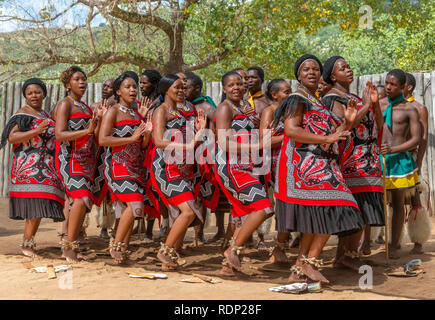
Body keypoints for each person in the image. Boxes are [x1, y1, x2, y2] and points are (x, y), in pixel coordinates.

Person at [273, 54, 363, 284]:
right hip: (304, 165)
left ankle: (299, 269)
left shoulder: (319, 101)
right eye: (306, 69)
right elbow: (292, 130)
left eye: (315, 69)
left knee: (319, 217)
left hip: (323, 164)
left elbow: (335, 134)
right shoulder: (296, 98)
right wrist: (326, 139)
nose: (312, 72)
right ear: (298, 76)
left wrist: (349, 122)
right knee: (335, 206)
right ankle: (309, 262)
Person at [321, 56, 384, 269]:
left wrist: (373, 105)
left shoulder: (353, 96)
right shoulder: (332, 98)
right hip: (351, 163)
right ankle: (347, 256)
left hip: (367, 161)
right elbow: (344, 125)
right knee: (356, 211)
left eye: (349, 66)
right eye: (343, 68)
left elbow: (379, 123)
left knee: (363, 211)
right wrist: (366, 105)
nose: (348, 70)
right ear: (332, 76)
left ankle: (346, 255)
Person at [214, 70, 274, 274]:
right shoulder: (224, 108)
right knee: (263, 209)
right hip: (230, 167)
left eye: (239, 84)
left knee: (248, 213)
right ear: (223, 89)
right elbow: (224, 143)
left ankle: (228, 266)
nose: (236, 87)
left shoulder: (242, 107)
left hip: (245, 166)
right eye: (231, 85)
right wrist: (257, 145)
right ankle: (232, 251)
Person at [0, 78, 65, 258]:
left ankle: (31, 242)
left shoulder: (44, 114)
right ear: (25, 96)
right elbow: (12, 138)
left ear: (44, 93)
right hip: (28, 169)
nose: (34, 95)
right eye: (30, 93)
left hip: (46, 170)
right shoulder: (23, 114)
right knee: (34, 209)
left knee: (39, 208)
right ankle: (26, 245)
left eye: (37, 92)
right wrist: (36, 131)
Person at [150, 74, 207, 270]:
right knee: (188, 211)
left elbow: (192, 143)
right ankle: (164, 251)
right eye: (177, 88)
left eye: (184, 88)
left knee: (186, 213)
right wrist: (189, 143)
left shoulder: (182, 113)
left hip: (183, 169)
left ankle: (169, 258)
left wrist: (199, 132)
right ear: (166, 90)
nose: (182, 91)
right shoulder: (161, 111)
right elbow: (158, 141)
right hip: (166, 168)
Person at [99, 72, 154, 263]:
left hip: (136, 167)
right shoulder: (113, 111)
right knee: (136, 204)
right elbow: (103, 139)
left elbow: (143, 145)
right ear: (118, 91)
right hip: (118, 165)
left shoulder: (137, 112)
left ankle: (122, 247)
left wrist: (146, 133)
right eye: (127, 87)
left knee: (131, 209)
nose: (132, 90)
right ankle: (116, 245)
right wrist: (130, 138)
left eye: (134, 87)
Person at [55, 66, 107, 262]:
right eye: (77, 79)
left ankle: (73, 246)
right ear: (68, 85)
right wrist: (86, 132)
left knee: (83, 202)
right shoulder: (64, 105)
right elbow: (59, 135)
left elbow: (94, 133)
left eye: (84, 79)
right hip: (69, 158)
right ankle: (67, 248)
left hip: (86, 161)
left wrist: (100, 120)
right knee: (80, 199)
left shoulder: (85, 107)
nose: (82, 82)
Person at [379, 69, 421, 259]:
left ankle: (394, 243)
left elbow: (416, 139)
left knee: (397, 204)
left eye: (393, 84)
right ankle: (365, 242)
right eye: (387, 82)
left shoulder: (410, 109)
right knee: (373, 202)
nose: (388, 87)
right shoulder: (379, 105)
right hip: (378, 161)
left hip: (399, 164)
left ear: (403, 87)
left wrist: (394, 150)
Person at [259, 79, 292, 263]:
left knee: (286, 206)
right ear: (274, 94)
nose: (289, 94)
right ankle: (277, 248)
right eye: (286, 92)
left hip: (289, 162)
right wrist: (290, 134)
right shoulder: (269, 112)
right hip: (274, 164)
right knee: (280, 206)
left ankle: (281, 248)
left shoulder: (290, 111)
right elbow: (263, 141)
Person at [403, 72, 431, 254]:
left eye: (398, 83)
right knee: (391, 199)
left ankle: (418, 240)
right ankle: (392, 238)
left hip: (410, 158)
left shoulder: (419, 108)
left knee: (414, 198)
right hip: (392, 158)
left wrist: (418, 164)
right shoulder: (391, 107)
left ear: (409, 87)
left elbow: (423, 138)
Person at [91, 78, 115, 239]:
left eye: (109, 87)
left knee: (110, 194)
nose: (105, 88)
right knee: (95, 190)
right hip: (96, 153)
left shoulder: (119, 109)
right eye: (104, 85)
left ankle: (106, 228)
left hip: (113, 152)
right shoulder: (94, 106)